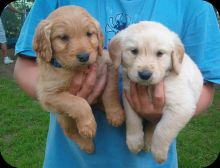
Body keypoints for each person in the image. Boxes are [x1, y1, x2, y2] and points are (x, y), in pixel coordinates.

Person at [14, 0, 220, 167]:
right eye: (64, 38)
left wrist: (160, 117)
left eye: (89, 35)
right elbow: (25, 67)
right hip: (69, 158)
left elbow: (204, 87)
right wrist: (69, 100)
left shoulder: (196, 5)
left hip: (150, 160)